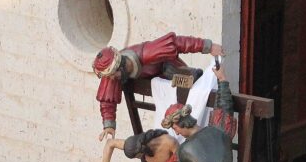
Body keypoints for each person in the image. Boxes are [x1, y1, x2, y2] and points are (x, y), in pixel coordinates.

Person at [92, 32, 222, 135]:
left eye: (113, 75)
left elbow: (177, 43)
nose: (112, 79)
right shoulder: (113, 75)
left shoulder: (146, 52)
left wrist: (208, 46)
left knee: (192, 107)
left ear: (120, 66)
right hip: (161, 92)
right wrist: (109, 125)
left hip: (173, 76)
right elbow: (107, 99)